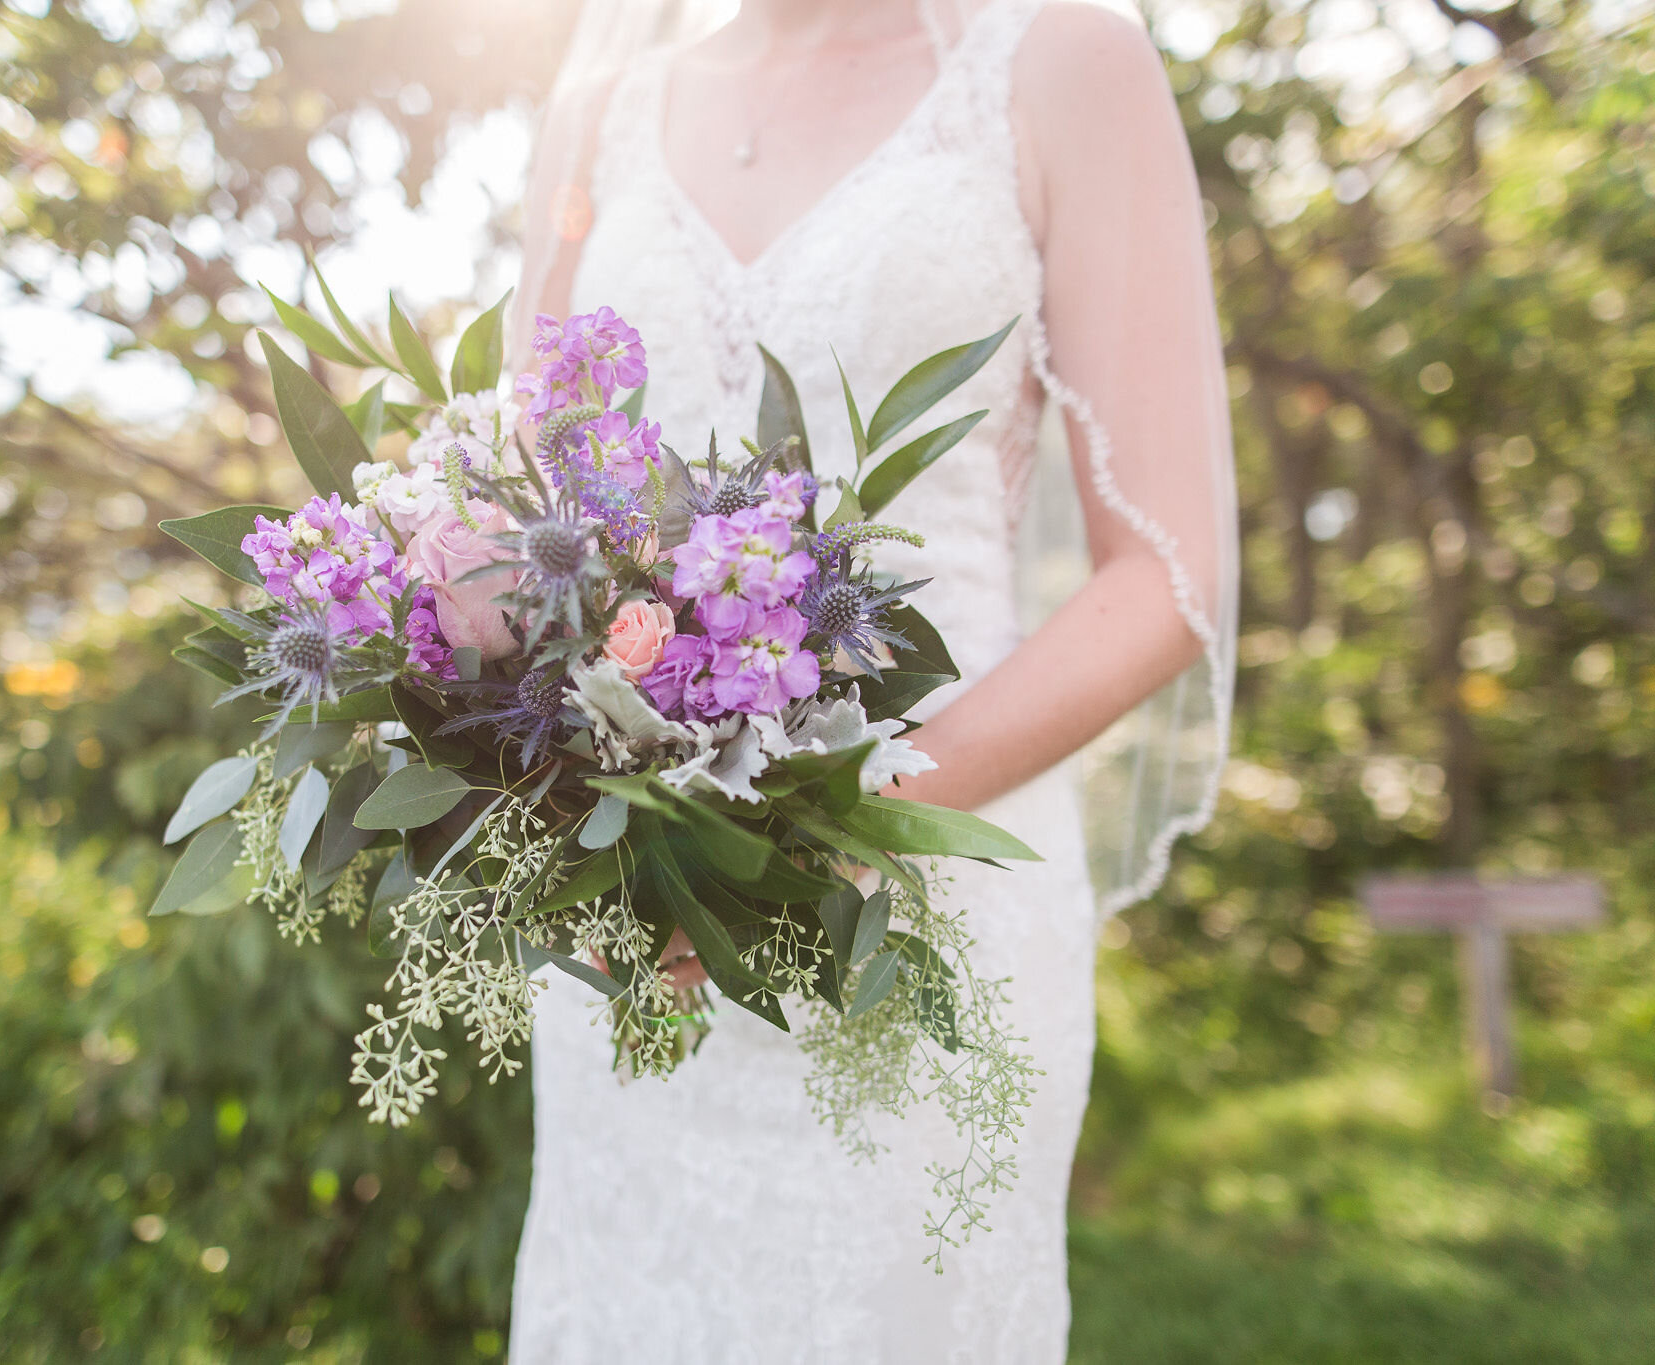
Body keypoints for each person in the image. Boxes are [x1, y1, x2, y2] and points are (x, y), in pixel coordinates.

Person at [507, 1, 1237, 1359]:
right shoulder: (607, 98)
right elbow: (534, 522)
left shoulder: (1064, 60)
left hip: (928, 892)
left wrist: (812, 828)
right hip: (637, 912)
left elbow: (1167, 574)